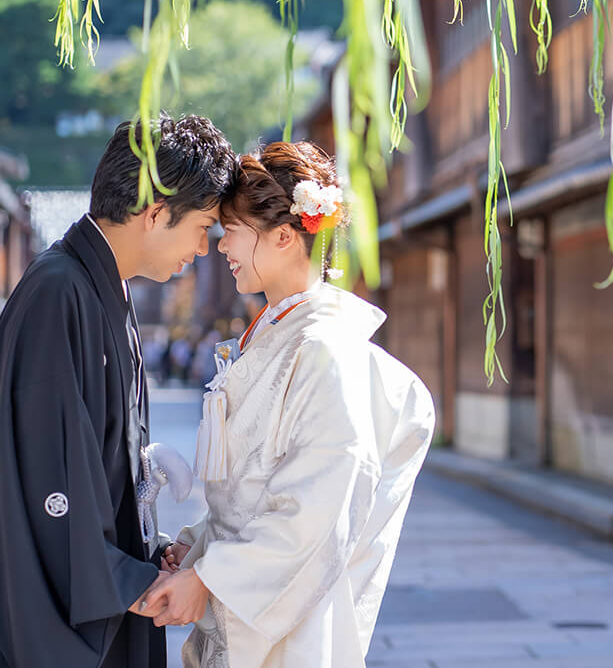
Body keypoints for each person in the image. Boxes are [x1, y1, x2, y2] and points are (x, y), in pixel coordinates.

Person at [0, 115, 237, 668]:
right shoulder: (59, 291)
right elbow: (48, 483)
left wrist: (146, 534)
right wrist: (135, 581)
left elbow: (88, 450)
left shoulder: (100, 288)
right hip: (42, 604)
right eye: (202, 227)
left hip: (89, 584)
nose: (204, 248)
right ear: (155, 214)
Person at [143, 141, 435, 668]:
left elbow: (316, 511)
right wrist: (198, 546)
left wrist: (209, 578)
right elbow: (250, 494)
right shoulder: (276, 336)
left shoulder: (324, 350)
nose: (219, 246)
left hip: (288, 624)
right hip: (245, 599)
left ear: (282, 236)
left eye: (231, 230)